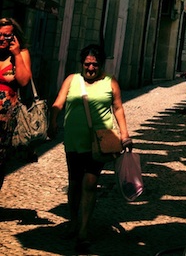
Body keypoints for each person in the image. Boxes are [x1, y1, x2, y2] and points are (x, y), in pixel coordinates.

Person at [49, 44, 131, 254]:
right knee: (74, 184)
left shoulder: (110, 82)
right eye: (87, 64)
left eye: (95, 65)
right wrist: (53, 119)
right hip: (74, 142)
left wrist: (124, 134)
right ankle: (73, 222)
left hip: (99, 143)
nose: (91, 68)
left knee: (90, 183)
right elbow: (58, 102)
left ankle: (83, 231)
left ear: (101, 64)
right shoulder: (72, 80)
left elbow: (118, 108)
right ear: (82, 64)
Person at [0, 17, 32, 190]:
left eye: (7, 36)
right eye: (0, 35)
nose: (2, 39)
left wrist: (17, 54)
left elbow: (24, 81)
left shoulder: (20, 54)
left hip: (5, 121)